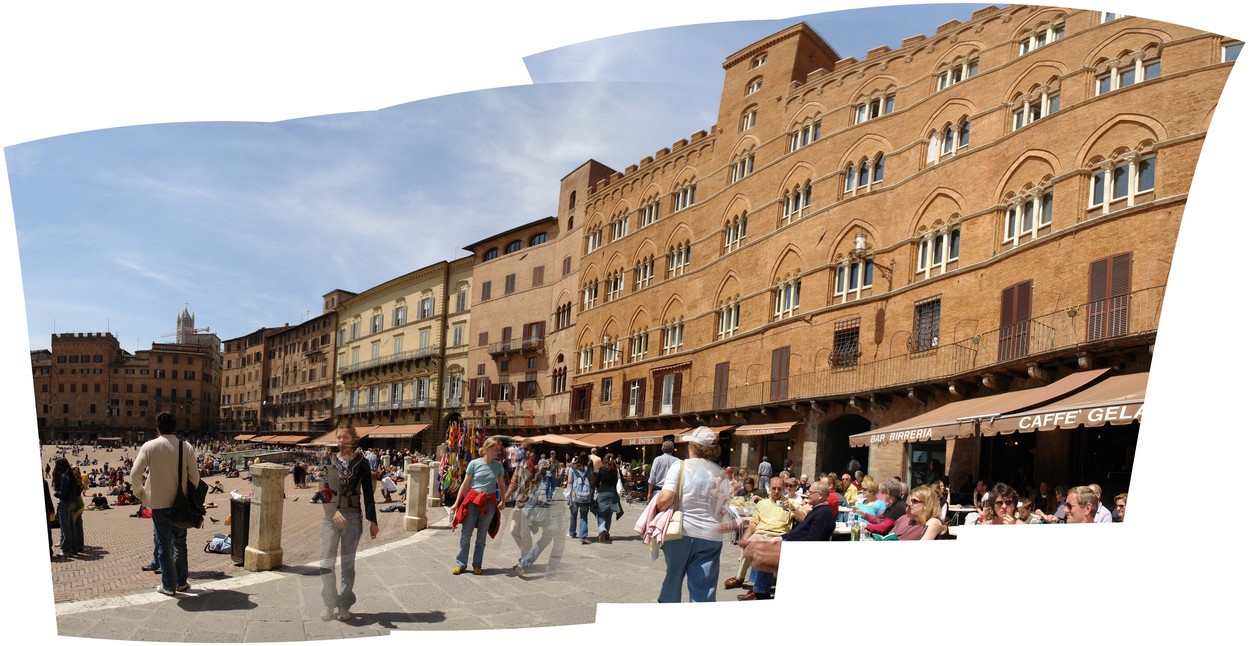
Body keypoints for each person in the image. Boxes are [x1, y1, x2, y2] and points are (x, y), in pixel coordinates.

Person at [655, 427, 734, 603]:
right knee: (704, 590)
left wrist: (658, 506)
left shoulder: (680, 466)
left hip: (681, 532)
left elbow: (665, 498)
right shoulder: (721, 474)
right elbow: (723, 509)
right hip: (711, 536)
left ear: (693, 446)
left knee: (673, 579)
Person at [130, 412, 200, 596]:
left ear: (158, 428)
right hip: (180, 504)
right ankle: (181, 582)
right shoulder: (186, 447)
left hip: (159, 503)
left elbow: (134, 475)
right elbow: (196, 478)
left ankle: (168, 585)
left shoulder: (149, 446)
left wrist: (141, 494)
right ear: (175, 427)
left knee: (164, 545)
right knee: (180, 543)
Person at [318, 421, 379, 621]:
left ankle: (344, 604)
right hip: (330, 518)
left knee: (347, 564)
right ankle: (329, 603)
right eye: (338, 437)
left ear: (353, 440)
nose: (340, 441)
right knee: (326, 561)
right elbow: (322, 490)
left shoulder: (362, 462)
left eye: (344, 437)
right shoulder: (328, 460)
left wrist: (373, 520)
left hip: (353, 517)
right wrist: (332, 511)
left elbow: (368, 493)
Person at [727, 476, 794, 600]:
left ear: (783, 489)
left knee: (765, 551)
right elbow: (754, 523)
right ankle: (739, 578)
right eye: (773, 488)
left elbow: (803, 517)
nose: (776, 491)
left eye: (779, 489)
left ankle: (758, 588)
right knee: (748, 546)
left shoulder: (790, 503)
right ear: (769, 487)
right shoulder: (762, 503)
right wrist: (746, 535)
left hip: (778, 534)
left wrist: (793, 508)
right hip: (761, 532)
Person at [450, 436, 507, 574]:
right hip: (472, 501)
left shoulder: (499, 466)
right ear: (487, 449)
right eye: (495, 450)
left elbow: (501, 484)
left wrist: (503, 500)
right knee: (466, 534)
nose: (497, 453)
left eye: (498, 451)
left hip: (489, 503)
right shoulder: (474, 464)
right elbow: (465, 483)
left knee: (481, 537)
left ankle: (477, 565)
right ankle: (461, 564)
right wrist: (456, 503)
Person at [506, 441, 562, 576]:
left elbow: (542, 482)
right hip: (519, 502)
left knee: (525, 533)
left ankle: (525, 560)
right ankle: (528, 555)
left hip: (531, 504)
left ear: (532, 450)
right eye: (521, 448)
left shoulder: (538, 466)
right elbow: (514, 482)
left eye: (525, 448)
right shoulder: (520, 465)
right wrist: (505, 497)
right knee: (513, 530)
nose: (522, 451)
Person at [52, 458, 84, 558]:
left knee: (66, 527)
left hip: (65, 503)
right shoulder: (72, 476)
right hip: (72, 503)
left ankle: (66, 549)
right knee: (71, 526)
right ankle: (74, 547)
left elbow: (63, 492)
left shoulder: (65, 477)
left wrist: (57, 494)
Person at [592, 452, 624, 543]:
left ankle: (602, 529)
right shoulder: (616, 470)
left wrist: (598, 488)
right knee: (609, 515)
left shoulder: (601, 471)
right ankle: (606, 533)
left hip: (602, 493)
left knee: (601, 513)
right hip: (613, 494)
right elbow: (622, 481)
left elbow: (596, 483)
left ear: (604, 460)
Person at [566, 454, 595, 543]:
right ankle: (583, 536)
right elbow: (592, 481)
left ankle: (572, 533)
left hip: (575, 495)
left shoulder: (572, 468)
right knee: (584, 515)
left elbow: (570, 481)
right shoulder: (589, 469)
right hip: (585, 495)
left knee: (573, 514)